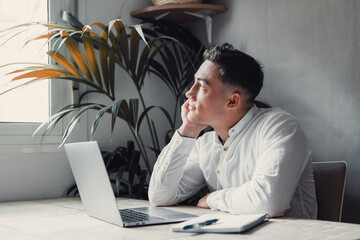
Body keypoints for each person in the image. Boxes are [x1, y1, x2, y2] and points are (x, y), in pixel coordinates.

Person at [148, 43, 317, 218]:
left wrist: (213, 199)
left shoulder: (279, 126)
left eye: (202, 87)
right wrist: (188, 129)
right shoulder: (205, 144)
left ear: (232, 101)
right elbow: (160, 197)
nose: (189, 94)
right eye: (193, 83)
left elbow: (268, 202)